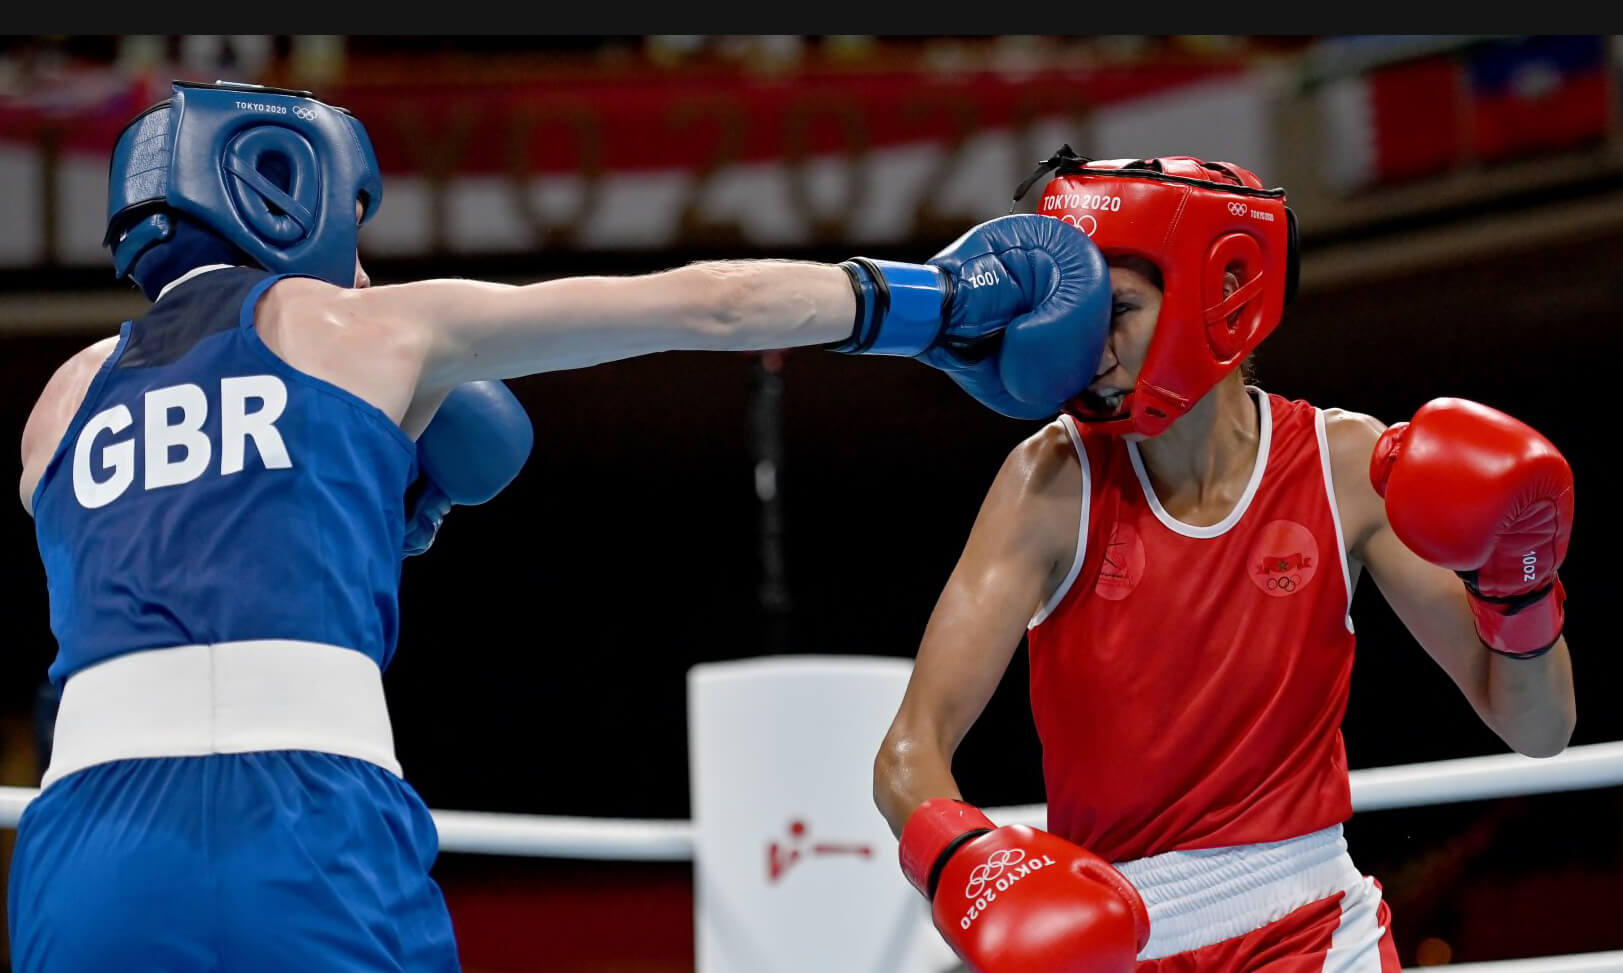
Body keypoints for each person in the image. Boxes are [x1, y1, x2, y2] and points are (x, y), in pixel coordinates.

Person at [10, 81, 1115, 973]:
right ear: (290, 192)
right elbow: (712, 302)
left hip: (85, 846)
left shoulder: (56, 405)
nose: (361, 263)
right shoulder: (357, 329)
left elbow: (191, 532)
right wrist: (935, 302)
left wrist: (364, 507)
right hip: (301, 819)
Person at [873, 146, 1577, 973]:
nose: (1084, 343)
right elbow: (907, 753)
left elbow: (1539, 728)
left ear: (1219, 294)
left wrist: (1518, 586)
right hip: (1118, 939)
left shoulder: (1345, 466)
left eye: (1116, 309)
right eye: (1070, 310)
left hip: (1316, 931)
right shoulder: (1050, 482)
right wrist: (969, 863)